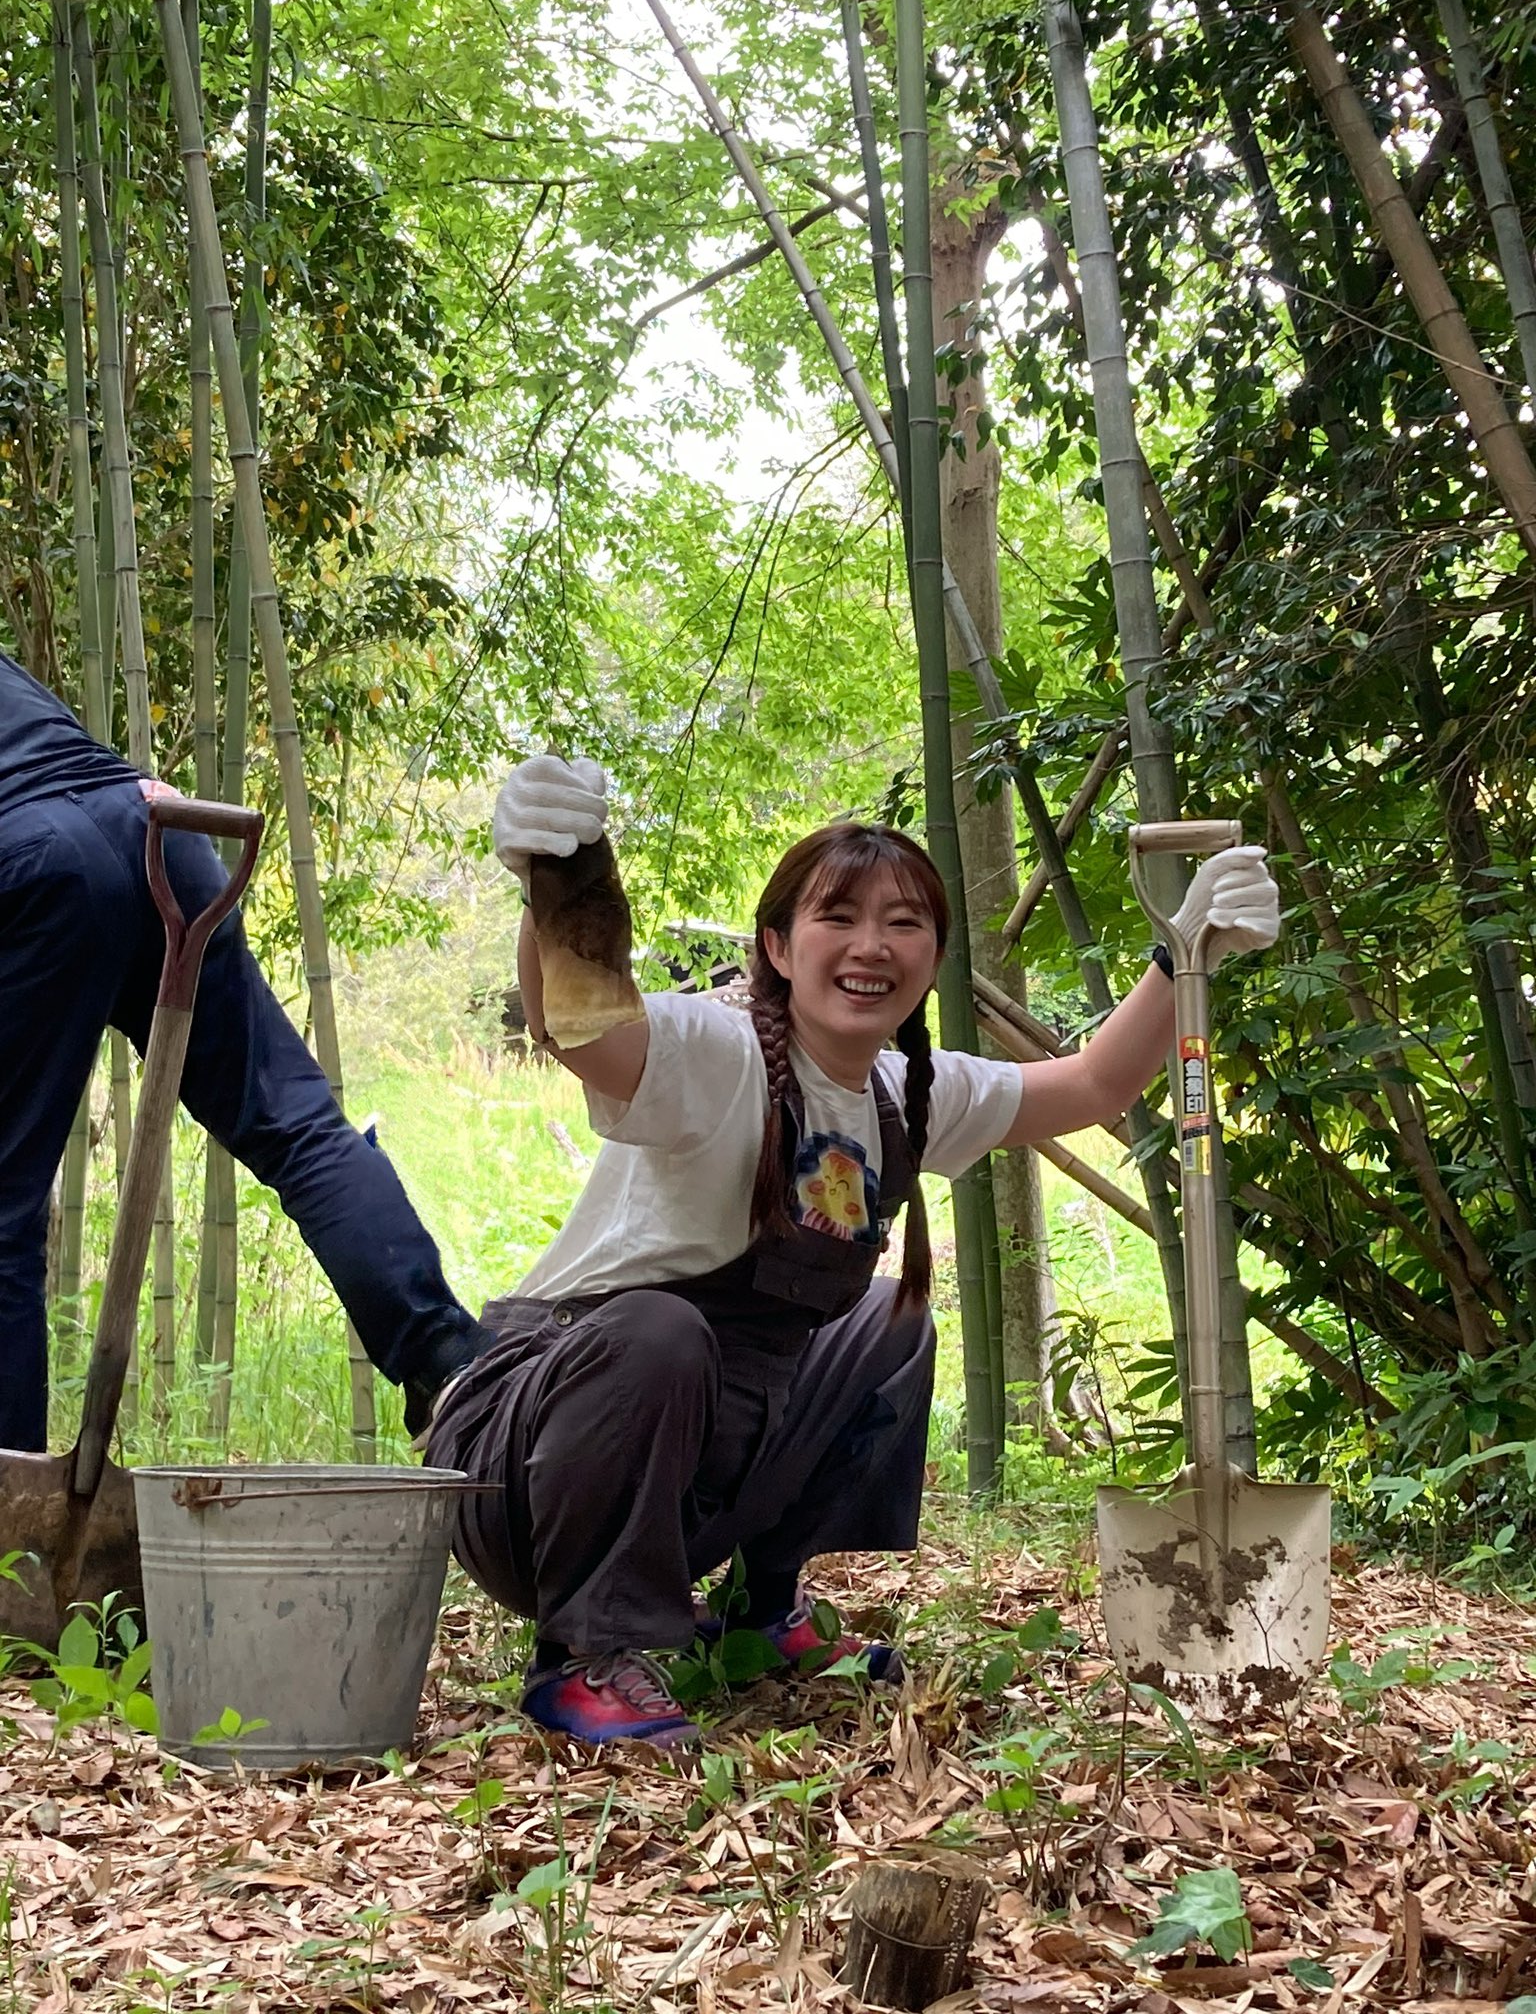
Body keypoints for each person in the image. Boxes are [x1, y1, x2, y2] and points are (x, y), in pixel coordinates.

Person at [422, 755, 1282, 1748]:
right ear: (777, 947)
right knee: (660, 1327)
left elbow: (1092, 1086)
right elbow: (580, 1030)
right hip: (525, 1468)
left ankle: (763, 1611)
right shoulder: (716, 1049)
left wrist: (1185, 953)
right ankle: (585, 1655)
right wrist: (556, 873)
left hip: (693, 1472)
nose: (872, 945)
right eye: (839, 916)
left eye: (904, 922)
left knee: (889, 1318)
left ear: (933, 955)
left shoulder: (908, 1091)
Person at [0, 651, 492, 1452]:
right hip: (157, 827)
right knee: (298, 1127)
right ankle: (451, 1361)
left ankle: (11, 1512)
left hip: (33, 861)